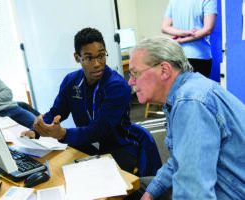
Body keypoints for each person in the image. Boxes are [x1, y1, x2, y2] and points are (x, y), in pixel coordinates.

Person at [125, 37, 245, 200]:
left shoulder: (190, 103)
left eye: (135, 73)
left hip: (230, 193)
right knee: (137, 187)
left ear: (164, 70)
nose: (130, 81)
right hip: (224, 185)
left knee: (130, 191)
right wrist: (150, 194)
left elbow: (194, 192)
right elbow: (181, 161)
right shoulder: (185, 93)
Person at [21, 27, 152, 174]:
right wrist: (36, 131)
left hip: (118, 148)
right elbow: (56, 112)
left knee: (98, 185)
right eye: (89, 58)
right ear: (77, 57)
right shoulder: (71, 81)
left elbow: (100, 130)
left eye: (101, 56)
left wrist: (62, 134)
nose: (97, 63)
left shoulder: (118, 86)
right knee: (57, 173)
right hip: (86, 143)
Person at [161, 0, 217, 78]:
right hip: (199, 57)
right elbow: (208, 29)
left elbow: (165, 27)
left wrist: (182, 36)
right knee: (199, 89)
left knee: (180, 89)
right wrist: (186, 35)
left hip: (177, 56)